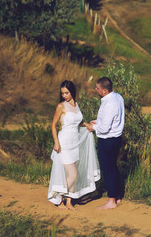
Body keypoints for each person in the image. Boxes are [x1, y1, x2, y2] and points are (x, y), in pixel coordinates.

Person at [48, 80, 100, 210]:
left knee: (72, 175)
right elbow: (53, 125)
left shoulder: (76, 105)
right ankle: (58, 198)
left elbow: (78, 121)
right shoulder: (61, 106)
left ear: (72, 92)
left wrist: (87, 124)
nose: (64, 95)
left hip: (75, 143)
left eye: (67, 92)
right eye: (62, 93)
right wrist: (56, 142)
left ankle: (69, 202)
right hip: (64, 143)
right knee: (73, 174)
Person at [85, 77, 125, 210]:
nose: (96, 90)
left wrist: (93, 127)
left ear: (105, 90)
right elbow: (113, 119)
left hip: (107, 140)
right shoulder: (118, 97)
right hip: (116, 138)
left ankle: (111, 200)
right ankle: (117, 196)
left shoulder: (108, 104)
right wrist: (98, 121)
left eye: (97, 88)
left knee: (107, 169)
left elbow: (104, 129)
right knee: (113, 167)